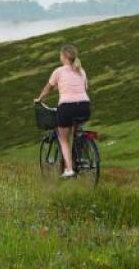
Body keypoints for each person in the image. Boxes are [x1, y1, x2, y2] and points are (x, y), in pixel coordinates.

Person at [34, 44, 91, 178]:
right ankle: (82, 157)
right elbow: (85, 88)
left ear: (64, 56)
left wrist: (39, 99)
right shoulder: (81, 70)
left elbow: (48, 88)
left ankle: (69, 169)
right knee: (77, 132)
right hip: (85, 106)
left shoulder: (59, 71)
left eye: (60, 55)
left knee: (63, 139)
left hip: (67, 108)